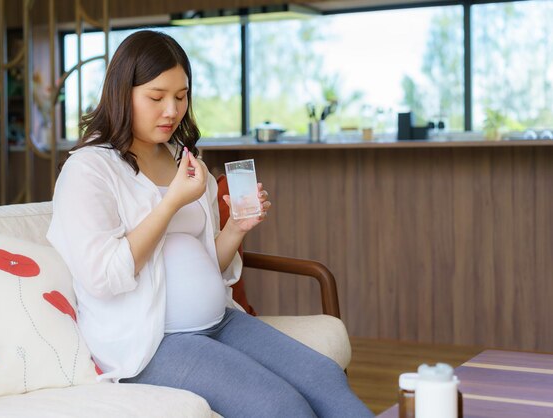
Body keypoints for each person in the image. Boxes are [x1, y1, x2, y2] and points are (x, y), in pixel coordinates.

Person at [47, 30, 373, 418]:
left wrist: (235, 227)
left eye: (181, 96)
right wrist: (170, 204)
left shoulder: (185, 160)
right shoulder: (89, 170)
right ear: (122, 93)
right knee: (280, 406)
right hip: (151, 344)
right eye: (156, 97)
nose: (172, 110)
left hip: (220, 320)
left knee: (323, 376)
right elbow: (102, 276)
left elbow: (207, 263)